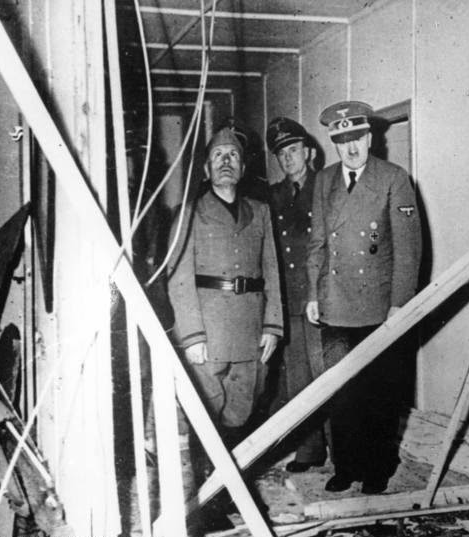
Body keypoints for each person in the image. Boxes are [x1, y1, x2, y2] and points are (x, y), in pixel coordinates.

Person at [306, 100, 422, 494]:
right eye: (343, 141)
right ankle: (346, 465)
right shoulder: (324, 181)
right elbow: (317, 243)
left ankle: (378, 466)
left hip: (377, 306)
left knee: (378, 392)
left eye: (357, 138)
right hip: (336, 303)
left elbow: (408, 249)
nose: (351, 148)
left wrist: (399, 304)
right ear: (335, 144)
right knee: (341, 390)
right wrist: (313, 292)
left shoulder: (393, 178)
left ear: (369, 138)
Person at [167, 126, 283, 446]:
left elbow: (272, 271)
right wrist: (192, 335)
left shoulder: (260, 212)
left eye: (233, 155)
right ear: (207, 169)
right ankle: (208, 474)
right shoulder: (189, 214)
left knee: (244, 407)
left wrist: (273, 326)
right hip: (208, 330)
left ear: (243, 168)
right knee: (206, 410)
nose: (226, 161)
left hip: (250, 327)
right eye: (218, 156)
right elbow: (178, 280)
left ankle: (234, 471)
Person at [265, 117, 327, 472]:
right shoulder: (274, 196)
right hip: (289, 301)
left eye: (293, 149)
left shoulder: (327, 186)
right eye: (281, 153)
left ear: (309, 152)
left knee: (327, 375)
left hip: (321, 300)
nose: (287, 158)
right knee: (298, 380)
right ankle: (309, 449)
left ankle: (342, 451)